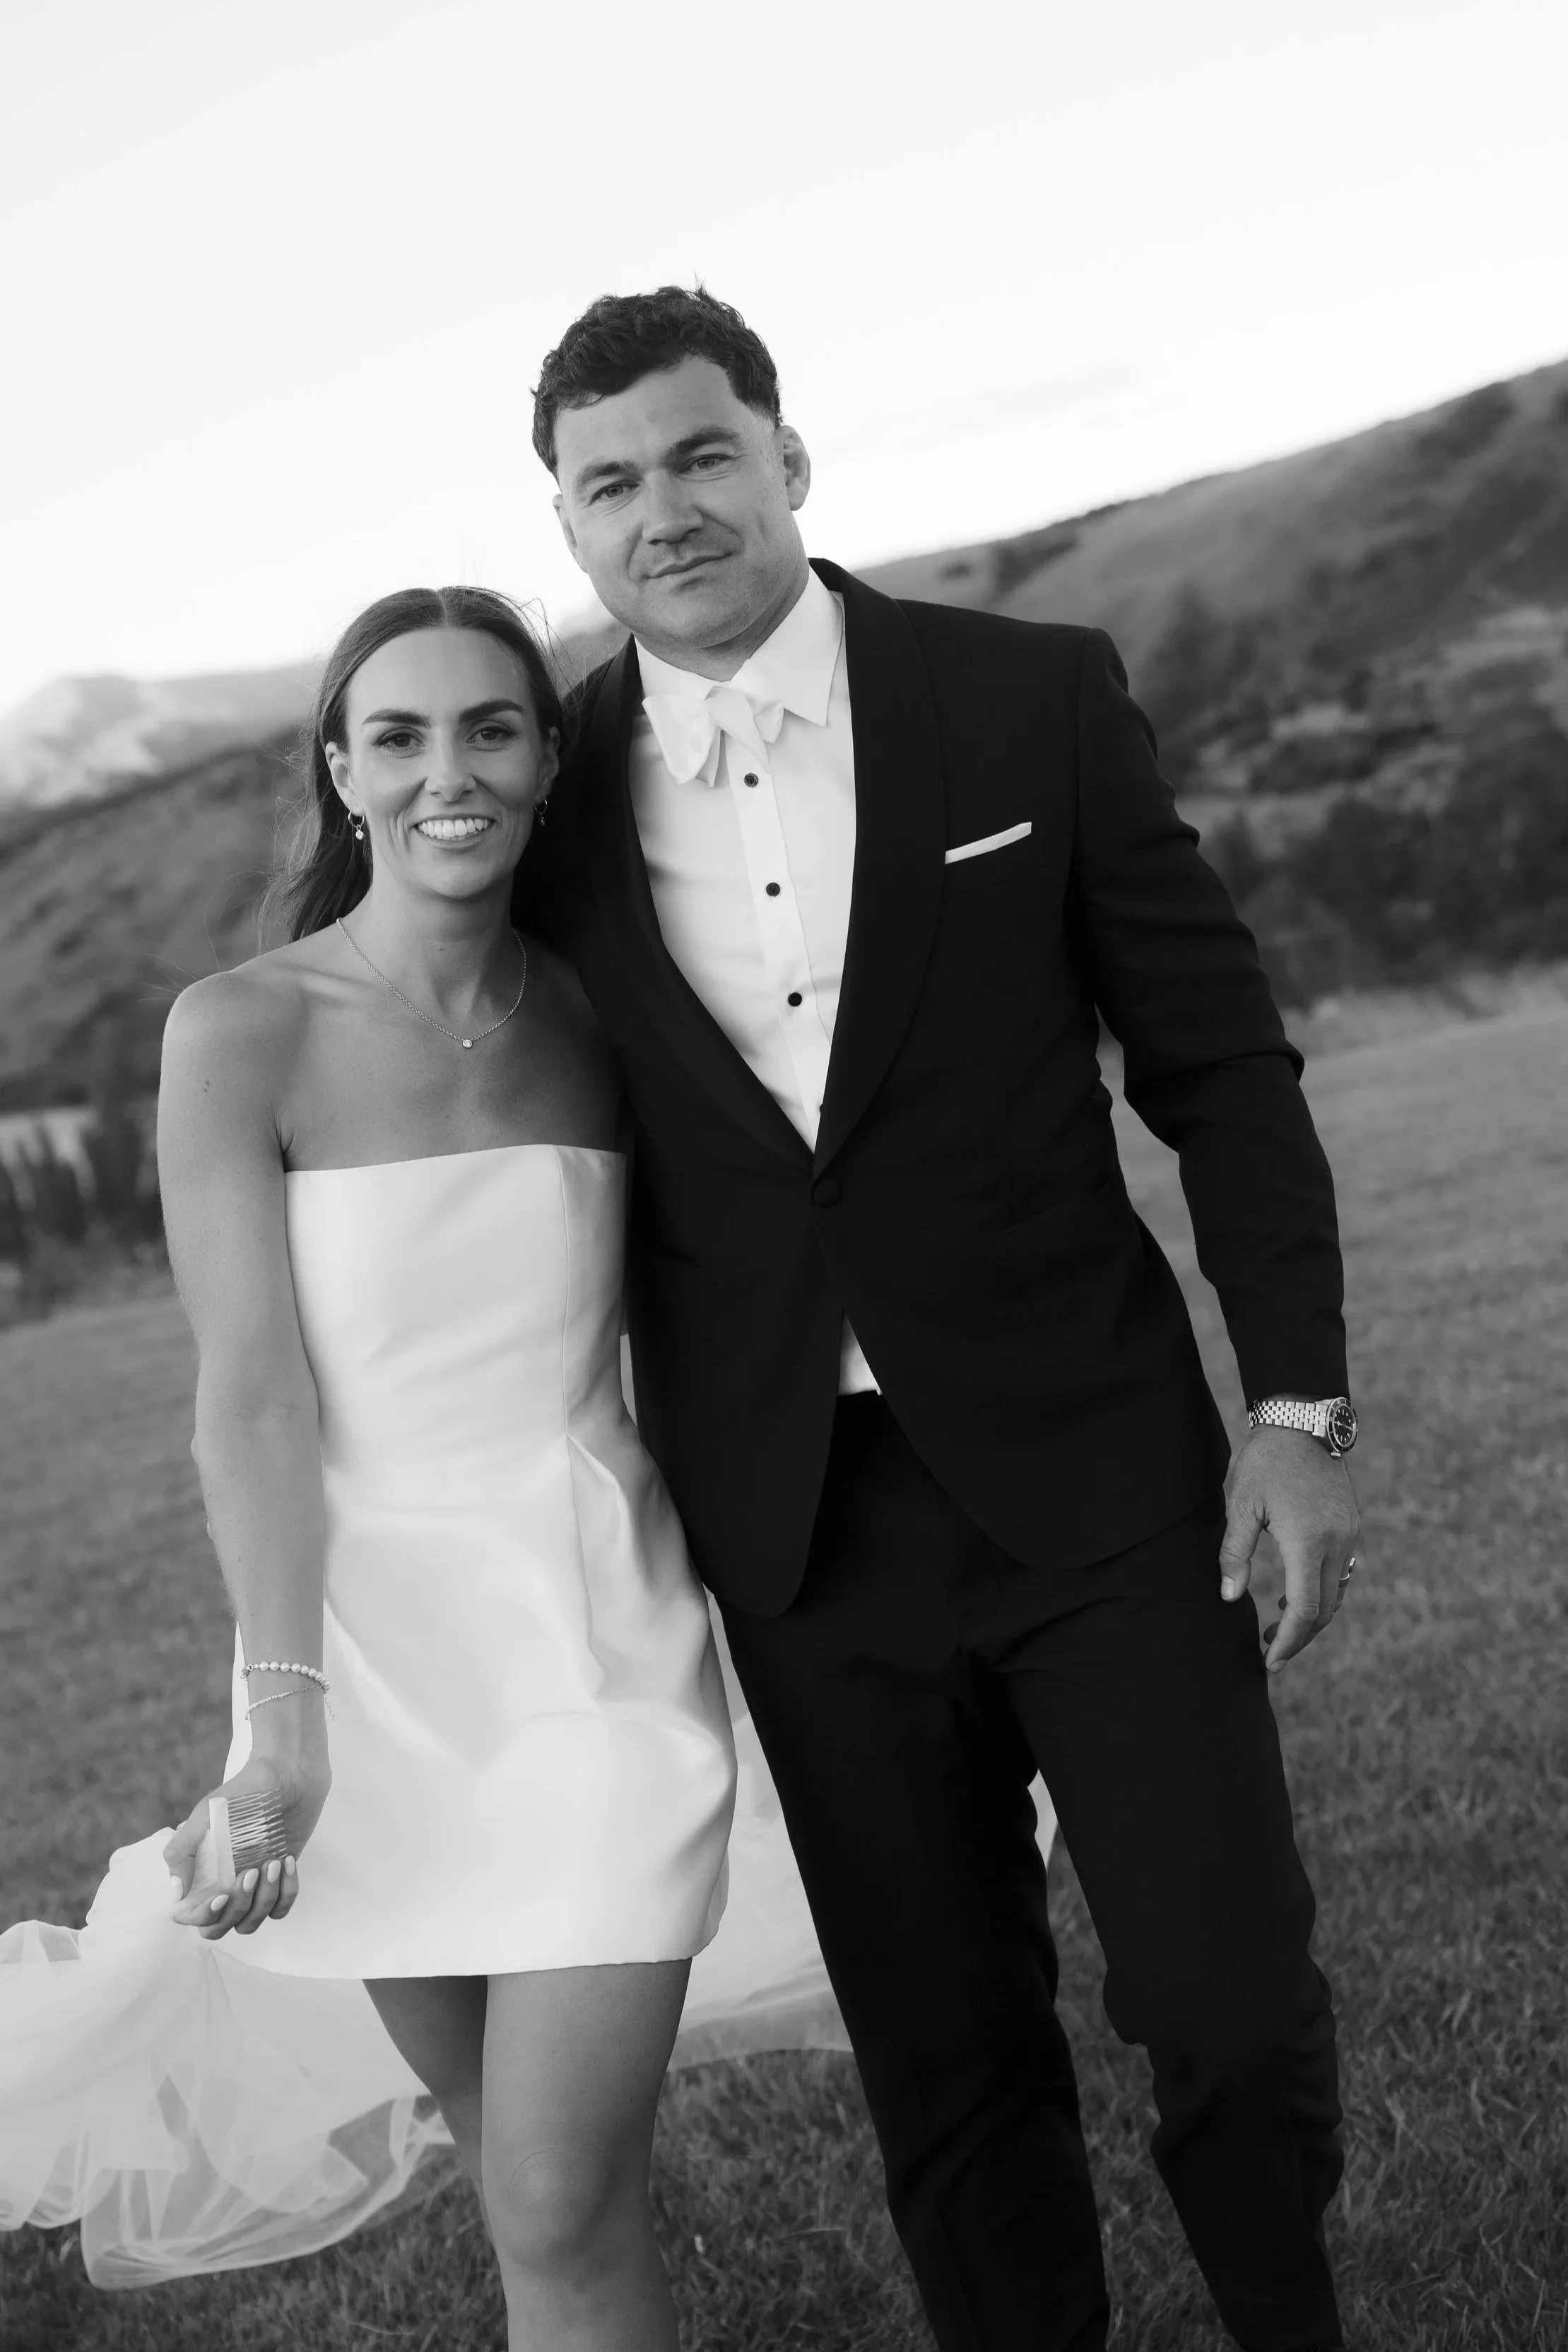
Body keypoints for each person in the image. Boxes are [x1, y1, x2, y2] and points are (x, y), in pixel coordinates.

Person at [519, 285, 1364, 2352]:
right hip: (804, 1528)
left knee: (1222, 1996)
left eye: (702, 454)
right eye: (609, 484)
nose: (667, 511)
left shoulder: (1026, 696)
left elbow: (1222, 1069)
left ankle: (1290, 2321)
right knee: (949, 2058)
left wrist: (1298, 1414)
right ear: (568, 525)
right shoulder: (541, 798)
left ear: (789, 460)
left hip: (1098, 1473)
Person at [2, 587, 750, 2352]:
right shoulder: (239, 1029)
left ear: (544, 760)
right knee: (521, 2179)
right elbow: (248, 1398)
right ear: (340, 772)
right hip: (363, 1661)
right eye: (397, 736)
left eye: (488, 728)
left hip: (596, 1633)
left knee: (561, 2188)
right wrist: (281, 1713)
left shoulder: (603, 1015)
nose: (446, 773)